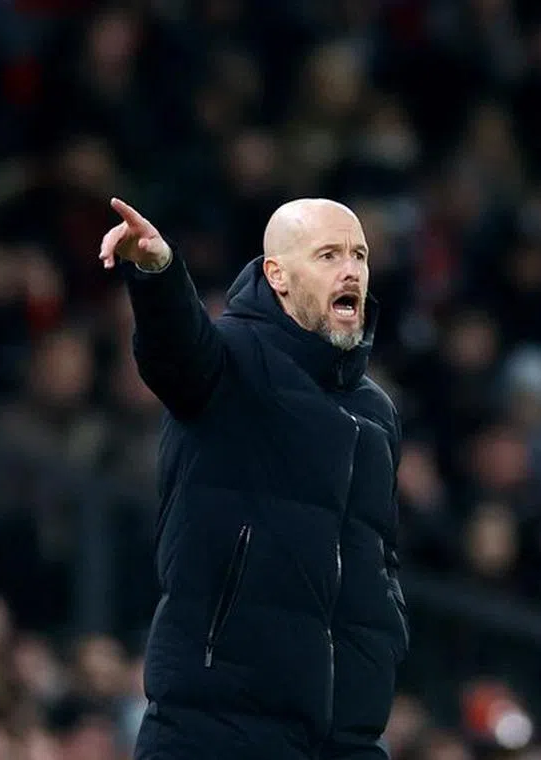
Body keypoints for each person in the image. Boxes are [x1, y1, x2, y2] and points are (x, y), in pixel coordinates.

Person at [99, 197, 409, 760]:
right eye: (329, 254)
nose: (351, 270)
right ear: (278, 276)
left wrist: (386, 634)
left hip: (345, 741)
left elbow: (378, 556)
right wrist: (158, 271)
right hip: (215, 729)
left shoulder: (375, 411)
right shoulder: (233, 358)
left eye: (359, 255)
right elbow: (176, 353)